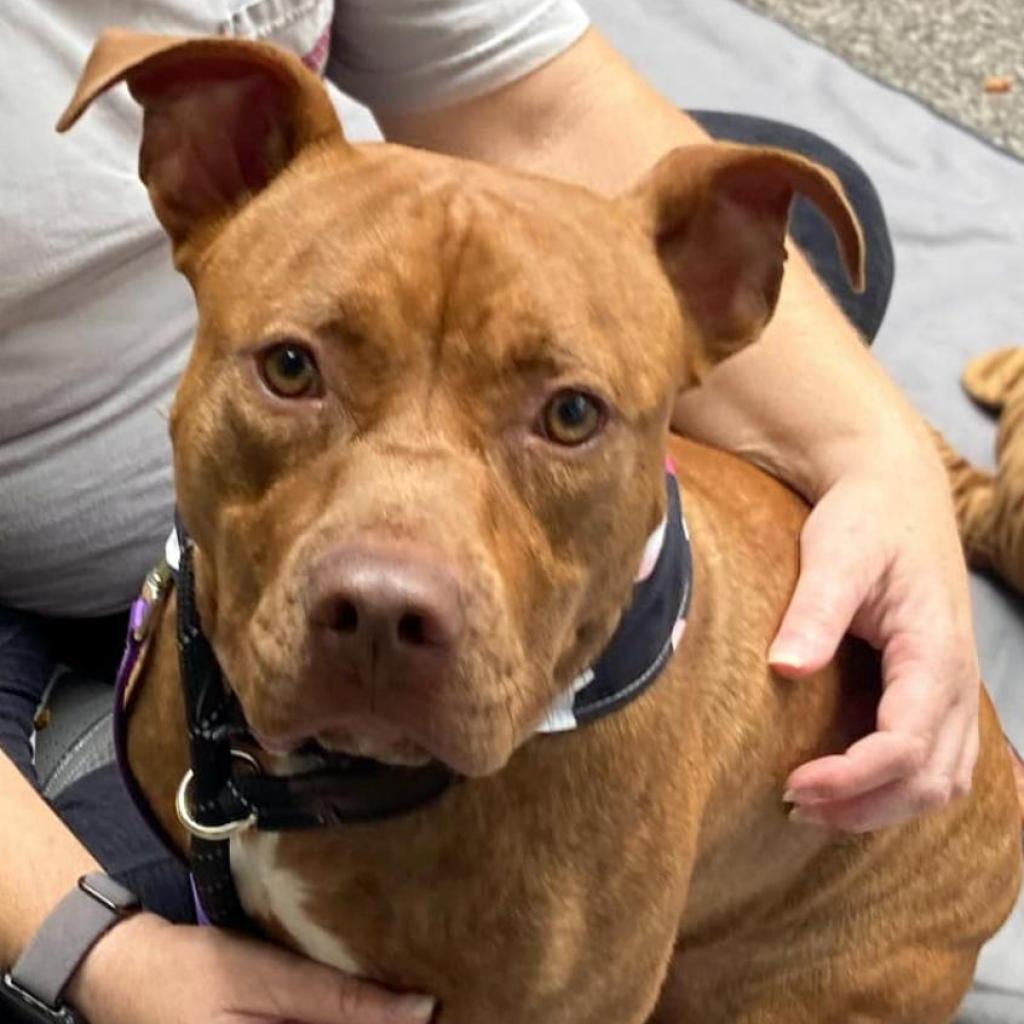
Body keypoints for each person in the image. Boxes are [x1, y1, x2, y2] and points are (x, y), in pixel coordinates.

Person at [0, 2, 979, 1022]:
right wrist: (93, 949)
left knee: (808, 212)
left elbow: (536, 102)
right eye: (295, 371)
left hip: (774, 940)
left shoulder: (571, 899)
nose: (396, 584)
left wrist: (884, 457)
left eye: (565, 416)